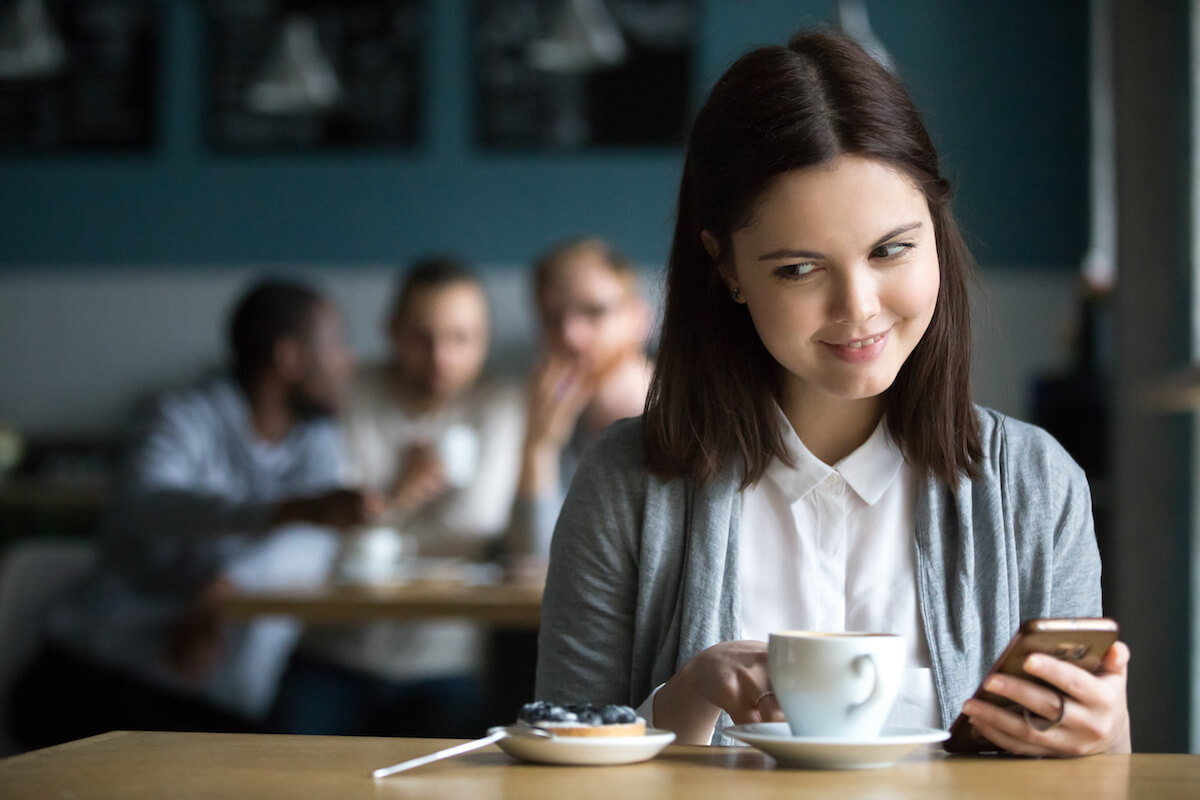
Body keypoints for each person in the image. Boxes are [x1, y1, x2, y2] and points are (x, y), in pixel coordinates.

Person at [534, 31, 1132, 757]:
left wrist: (1104, 732)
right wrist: (684, 700)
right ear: (725, 268)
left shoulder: (1035, 485)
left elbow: (1095, 771)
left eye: (891, 250)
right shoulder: (626, 483)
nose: (859, 308)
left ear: (937, 232)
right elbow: (557, 768)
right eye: (798, 269)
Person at [8, 279, 381, 751]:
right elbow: (150, 506)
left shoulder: (318, 439)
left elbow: (315, 542)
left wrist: (226, 587)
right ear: (290, 359)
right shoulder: (182, 416)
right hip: (100, 672)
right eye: (337, 343)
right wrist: (281, 511)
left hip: (217, 701)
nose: (350, 360)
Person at [271, 257, 524, 737]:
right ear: (391, 329)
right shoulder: (346, 393)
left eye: (460, 339)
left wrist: (379, 514)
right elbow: (326, 531)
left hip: (443, 662)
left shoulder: (499, 402)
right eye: (422, 337)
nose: (440, 357)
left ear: (485, 339)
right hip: (332, 650)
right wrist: (405, 495)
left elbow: (475, 524)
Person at [506, 237, 653, 558]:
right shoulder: (553, 420)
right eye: (552, 318)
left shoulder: (683, 417)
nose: (571, 335)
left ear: (640, 319)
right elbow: (534, 562)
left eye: (594, 311)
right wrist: (538, 448)